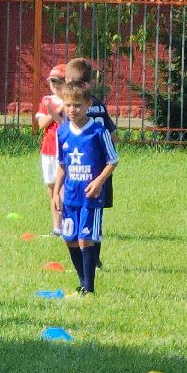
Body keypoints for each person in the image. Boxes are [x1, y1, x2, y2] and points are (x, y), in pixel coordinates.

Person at [52, 90, 117, 295]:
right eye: (69, 105)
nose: (73, 110)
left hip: (91, 197)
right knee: (69, 238)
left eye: (78, 105)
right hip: (70, 196)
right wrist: (56, 192)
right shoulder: (62, 132)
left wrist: (99, 182)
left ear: (88, 104)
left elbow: (113, 161)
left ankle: (89, 288)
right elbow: (62, 164)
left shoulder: (98, 131)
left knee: (84, 239)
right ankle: (82, 282)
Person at [64, 56, 118, 268]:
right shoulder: (99, 105)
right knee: (97, 214)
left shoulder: (73, 106)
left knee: (86, 213)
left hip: (82, 167)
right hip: (101, 167)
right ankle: (94, 259)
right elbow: (113, 134)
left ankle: (89, 259)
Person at [34, 65, 67, 234]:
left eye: (59, 82)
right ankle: (57, 226)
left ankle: (68, 224)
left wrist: (64, 106)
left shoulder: (72, 101)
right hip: (48, 149)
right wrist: (57, 110)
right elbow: (41, 124)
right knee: (51, 187)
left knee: (64, 187)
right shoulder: (47, 101)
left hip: (65, 149)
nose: (55, 85)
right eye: (52, 82)